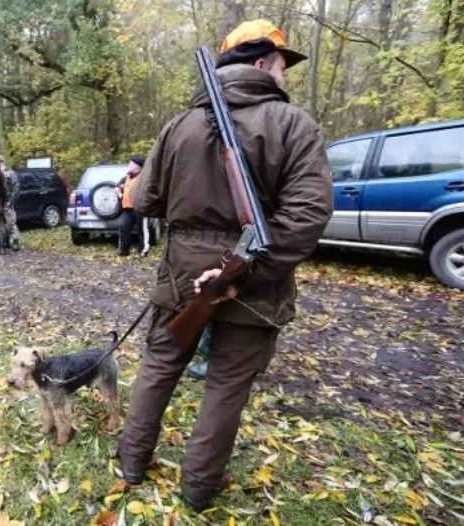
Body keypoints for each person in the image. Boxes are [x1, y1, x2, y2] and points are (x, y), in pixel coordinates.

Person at [116, 20, 333, 512]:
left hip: (182, 273)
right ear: (261, 63)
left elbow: (146, 198)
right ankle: (197, 489)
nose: (284, 77)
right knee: (225, 388)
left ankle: (132, 461)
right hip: (255, 276)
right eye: (282, 65)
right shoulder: (294, 124)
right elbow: (308, 213)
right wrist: (242, 269)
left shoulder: (178, 124)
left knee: (159, 366)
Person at [115, 156, 145, 256]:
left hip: (140, 208)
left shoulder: (143, 178)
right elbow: (117, 187)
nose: (129, 165)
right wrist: (119, 191)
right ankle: (124, 250)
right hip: (127, 208)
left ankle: (143, 250)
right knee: (123, 227)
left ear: (138, 166)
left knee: (142, 230)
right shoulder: (126, 177)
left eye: (131, 164)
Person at [0, 154, 20, 251]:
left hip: (8, 203)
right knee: (2, 224)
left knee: (11, 223)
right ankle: (5, 242)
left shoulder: (10, 173)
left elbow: (16, 188)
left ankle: (15, 243)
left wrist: (11, 202)